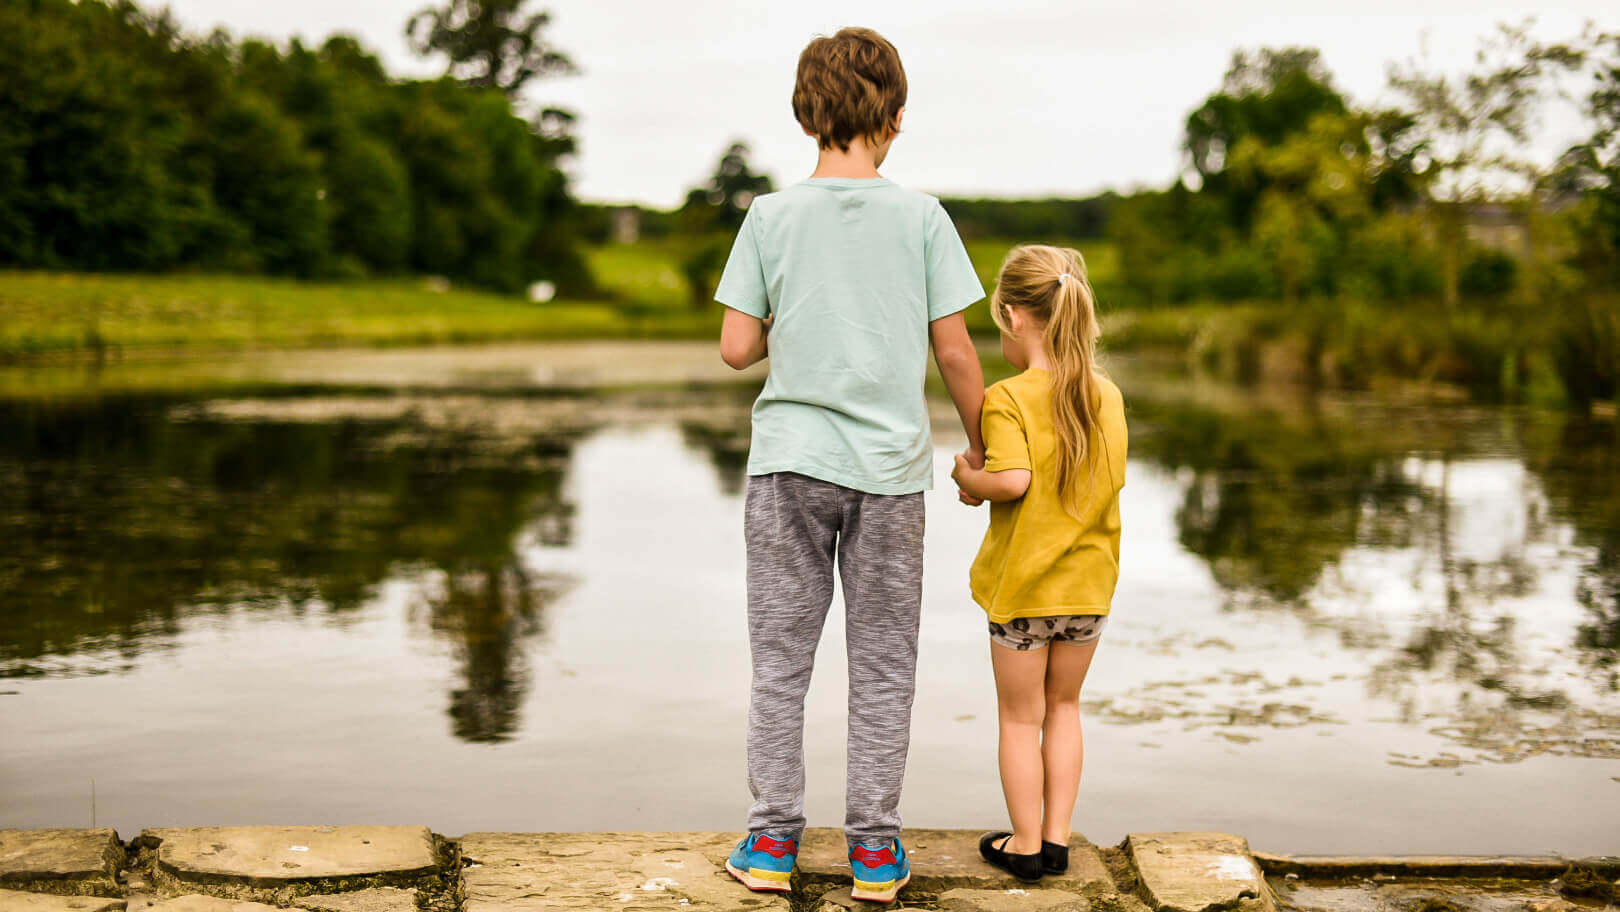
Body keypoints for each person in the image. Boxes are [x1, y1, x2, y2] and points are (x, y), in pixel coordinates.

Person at [714, 26, 988, 905]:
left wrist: (792, 323)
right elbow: (955, 352)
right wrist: (983, 447)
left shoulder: (768, 215)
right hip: (889, 472)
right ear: (896, 117)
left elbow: (734, 347)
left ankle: (769, 844)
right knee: (882, 661)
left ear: (807, 115)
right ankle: (874, 850)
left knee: (780, 659)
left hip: (788, 465)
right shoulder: (923, 218)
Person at [950, 244, 1128, 884]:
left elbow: (1015, 480)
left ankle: (1023, 845)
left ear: (1011, 315)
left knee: (1021, 718)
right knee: (1067, 709)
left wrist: (967, 472)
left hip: (1026, 590)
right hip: (1089, 587)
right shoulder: (1105, 395)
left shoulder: (1007, 397)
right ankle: (1057, 841)